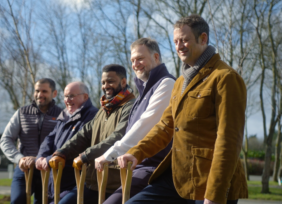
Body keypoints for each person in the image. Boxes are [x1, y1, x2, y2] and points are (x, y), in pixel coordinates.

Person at [118, 15, 248, 204]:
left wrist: (214, 194)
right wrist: (137, 152)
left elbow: (228, 141)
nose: (179, 46)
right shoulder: (180, 82)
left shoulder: (225, 78)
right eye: (176, 41)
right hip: (178, 177)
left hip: (209, 184)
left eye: (185, 40)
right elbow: (165, 126)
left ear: (203, 39)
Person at [94, 38, 175, 204]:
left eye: (140, 58)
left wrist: (109, 155)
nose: (135, 64)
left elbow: (145, 125)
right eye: (132, 60)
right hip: (136, 168)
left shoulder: (167, 84)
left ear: (156, 57)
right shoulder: (142, 94)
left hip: (156, 169)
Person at [48, 64, 136, 204]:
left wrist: (85, 156)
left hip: (115, 184)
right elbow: (84, 133)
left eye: (110, 81)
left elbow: (118, 138)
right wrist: (62, 153)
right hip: (92, 181)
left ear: (123, 82)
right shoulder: (105, 107)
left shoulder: (130, 106)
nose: (105, 86)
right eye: (103, 82)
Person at [0, 78, 63, 204]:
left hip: (48, 170)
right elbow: (5, 139)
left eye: (44, 91)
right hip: (24, 169)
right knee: (17, 201)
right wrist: (19, 158)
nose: (40, 95)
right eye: (37, 91)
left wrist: (48, 159)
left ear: (54, 93)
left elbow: (65, 143)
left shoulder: (62, 115)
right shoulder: (22, 112)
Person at [35, 81, 98, 204]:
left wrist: (47, 160)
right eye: (65, 96)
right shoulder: (64, 115)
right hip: (54, 181)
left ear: (85, 97)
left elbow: (77, 145)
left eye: (71, 96)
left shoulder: (92, 116)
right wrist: (40, 157)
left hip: (74, 183)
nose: (67, 100)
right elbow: (50, 138)